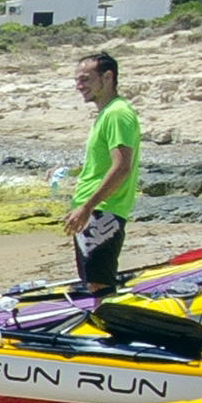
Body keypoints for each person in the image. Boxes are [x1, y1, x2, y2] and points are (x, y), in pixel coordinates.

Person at [68, 51, 143, 297]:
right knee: (92, 281)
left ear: (107, 77)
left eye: (86, 79)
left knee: (100, 285)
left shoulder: (117, 113)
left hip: (103, 211)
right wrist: (74, 172)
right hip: (94, 211)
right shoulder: (105, 114)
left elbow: (121, 167)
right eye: (77, 80)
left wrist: (87, 207)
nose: (80, 86)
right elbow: (103, 163)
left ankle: (109, 331)